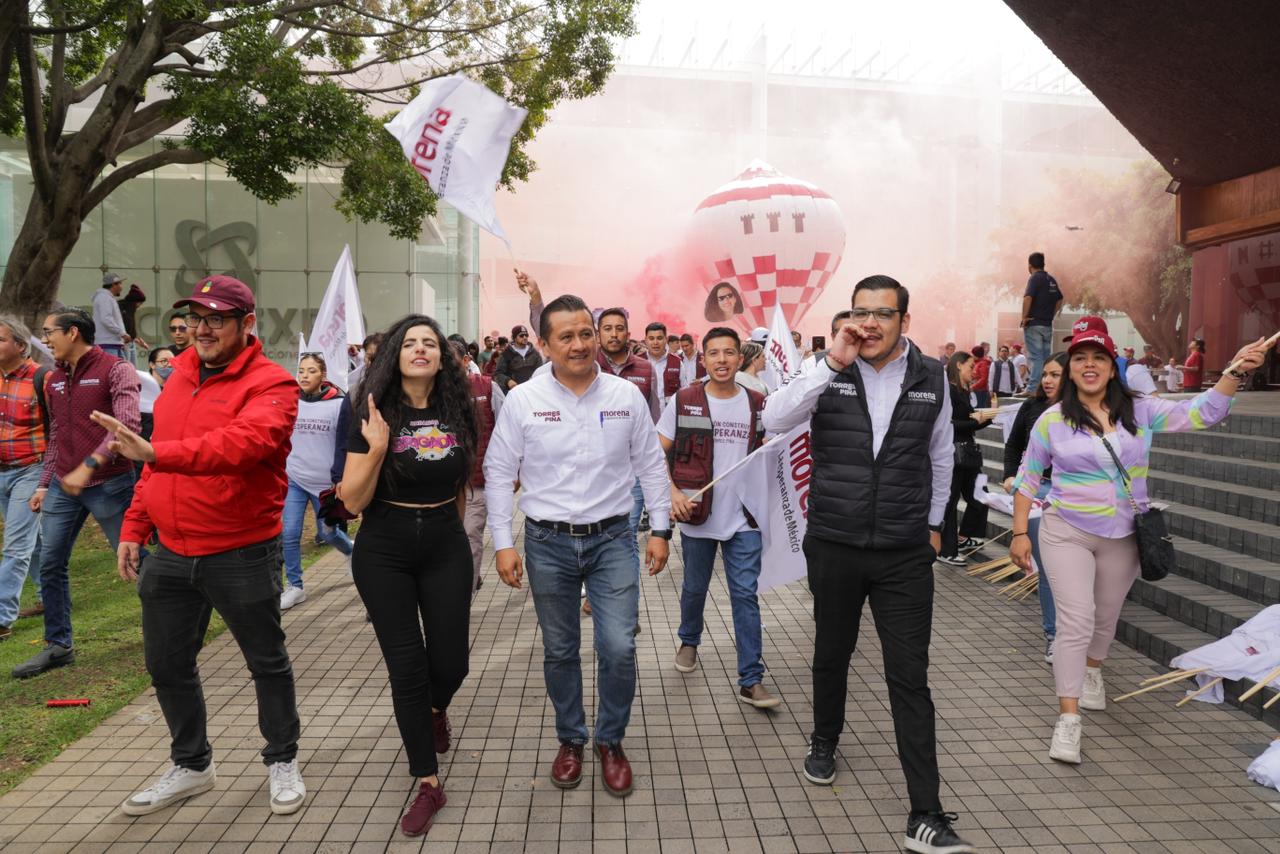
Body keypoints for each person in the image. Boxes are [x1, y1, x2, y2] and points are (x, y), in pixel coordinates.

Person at [762, 275, 974, 854]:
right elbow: (774, 420)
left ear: (905, 320)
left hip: (904, 553)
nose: (871, 323)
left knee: (910, 676)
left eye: (884, 313)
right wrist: (831, 362)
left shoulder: (932, 376)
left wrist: (932, 528)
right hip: (834, 541)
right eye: (862, 312)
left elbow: (938, 455)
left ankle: (926, 813)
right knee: (832, 652)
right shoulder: (826, 368)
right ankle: (825, 737)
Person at [1009, 321, 1268, 765]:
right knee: (1076, 620)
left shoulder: (1140, 410)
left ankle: (1093, 670)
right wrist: (1018, 533)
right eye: (1080, 359)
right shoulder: (1052, 421)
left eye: (1099, 358)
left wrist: (1235, 371)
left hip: (1124, 534)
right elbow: (1028, 479)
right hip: (1066, 529)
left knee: (1105, 616)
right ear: (1070, 369)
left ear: (1113, 368)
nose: (1089, 366)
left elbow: (1203, 412)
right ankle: (1068, 720)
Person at [100, 275, 306, 816]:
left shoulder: (273, 384)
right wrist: (133, 526)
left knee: (266, 662)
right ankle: (192, 764)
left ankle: (281, 759)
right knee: (167, 665)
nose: (202, 328)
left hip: (241, 551)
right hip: (170, 553)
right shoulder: (178, 376)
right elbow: (155, 463)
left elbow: (241, 446)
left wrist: (156, 456)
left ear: (246, 324)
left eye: (216, 318)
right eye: (196, 318)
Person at [485, 294, 672, 800]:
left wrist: (659, 529)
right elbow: (499, 473)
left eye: (586, 333)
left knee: (618, 646)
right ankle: (571, 739)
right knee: (561, 649)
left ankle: (609, 740)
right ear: (543, 343)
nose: (579, 344)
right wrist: (504, 543)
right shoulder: (525, 400)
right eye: (565, 336)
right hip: (547, 543)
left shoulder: (624, 396)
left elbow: (651, 466)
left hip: (613, 538)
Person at [335, 314, 477, 837]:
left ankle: (436, 707)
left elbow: (461, 484)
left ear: (442, 356)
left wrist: (458, 540)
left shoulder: (459, 410)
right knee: (406, 668)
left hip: (444, 542)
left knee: (453, 662)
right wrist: (375, 449)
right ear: (395, 354)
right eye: (410, 342)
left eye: (430, 343)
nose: (420, 349)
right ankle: (427, 781)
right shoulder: (371, 410)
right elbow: (350, 501)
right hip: (385, 547)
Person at [11, 308, 140, 679]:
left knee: (135, 560)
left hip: (110, 484)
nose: (45, 339)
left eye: (49, 332)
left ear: (72, 333)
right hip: (62, 491)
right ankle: (59, 646)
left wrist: (89, 465)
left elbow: (127, 426)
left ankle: (169, 635)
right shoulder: (53, 380)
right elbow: (55, 438)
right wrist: (43, 483)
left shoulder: (116, 369)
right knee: (50, 563)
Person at [660, 327, 780, 708]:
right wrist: (673, 493)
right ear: (704, 358)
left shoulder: (761, 404)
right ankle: (689, 640)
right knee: (694, 587)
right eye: (714, 353)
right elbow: (653, 452)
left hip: (744, 519)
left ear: (739, 358)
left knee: (745, 594)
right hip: (700, 517)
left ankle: (751, 678)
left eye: (729, 352)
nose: (722, 360)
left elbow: (776, 451)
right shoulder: (684, 400)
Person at [1001, 352, 1068, 663]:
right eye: (1046, 374)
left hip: (1076, 496)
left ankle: (1079, 635)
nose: (1048, 380)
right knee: (1051, 569)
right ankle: (1054, 636)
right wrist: (1010, 475)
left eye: (1056, 375)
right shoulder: (1032, 407)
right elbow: (1014, 444)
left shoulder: (1089, 411)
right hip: (1038, 491)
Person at [280, 353, 354, 609]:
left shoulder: (339, 403)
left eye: (311, 371)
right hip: (294, 478)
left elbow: (344, 442)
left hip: (325, 483)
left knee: (328, 532)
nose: (304, 375)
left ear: (323, 376)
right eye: (301, 370)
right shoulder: (290, 401)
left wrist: (341, 477)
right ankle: (295, 586)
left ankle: (351, 551)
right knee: (289, 533)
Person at [0, 315, 49, 640]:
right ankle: (51, 595)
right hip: (1, 472)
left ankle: (2, 617)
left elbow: (58, 427)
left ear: (20, 345)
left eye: (1, 340)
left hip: (31, 469)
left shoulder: (41, 378)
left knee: (16, 545)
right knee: (31, 544)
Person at [936, 352, 993, 568]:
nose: (975, 371)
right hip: (952, 455)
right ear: (959, 365)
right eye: (971, 366)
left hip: (970, 455)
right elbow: (948, 424)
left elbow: (970, 421)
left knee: (982, 493)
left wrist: (989, 418)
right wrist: (976, 420)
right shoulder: (947, 391)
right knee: (949, 502)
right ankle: (946, 550)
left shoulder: (964, 391)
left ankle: (967, 535)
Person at [456, 339, 503, 596]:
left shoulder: (487, 387)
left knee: (470, 537)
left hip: (477, 480)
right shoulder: (430, 393)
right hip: (443, 485)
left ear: (465, 361)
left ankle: (465, 594)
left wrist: (511, 468)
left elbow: (506, 427)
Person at [1021, 251, 1063, 392]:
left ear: (1030, 265)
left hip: (1034, 324)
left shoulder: (1034, 278)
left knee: (1035, 357)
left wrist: (1024, 317)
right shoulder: (1051, 279)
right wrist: (1051, 314)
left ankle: (1033, 388)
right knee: (1045, 358)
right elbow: (1059, 299)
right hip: (1047, 325)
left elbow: (1028, 297)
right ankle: (1044, 387)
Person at [134, 347, 172, 478]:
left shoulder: (176, 390)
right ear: (152, 365)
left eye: (172, 361)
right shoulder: (140, 388)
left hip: (164, 452)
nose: (169, 364)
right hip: (141, 452)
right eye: (163, 361)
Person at [92, 273, 132, 359]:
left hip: (111, 343)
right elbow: (106, 319)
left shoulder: (105, 297)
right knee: (113, 370)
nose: (122, 287)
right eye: (120, 283)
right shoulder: (105, 298)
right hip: (108, 343)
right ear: (114, 284)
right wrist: (122, 334)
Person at [493, 323, 542, 390]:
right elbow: (498, 374)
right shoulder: (507, 354)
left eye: (526, 335)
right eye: (521, 336)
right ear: (514, 338)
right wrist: (508, 381)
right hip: (515, 391)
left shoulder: (534, 352)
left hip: (532, 389)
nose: (525, 337)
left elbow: (541, 371)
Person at [119, 283, 148, 365]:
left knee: (132, 368)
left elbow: (129, 329)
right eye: (139, 303)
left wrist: (137, 340)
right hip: (124, 343)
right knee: (127, 367)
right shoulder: (123, 310)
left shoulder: (129, 311)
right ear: (135, 301)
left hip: (130, 343)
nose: (139, 306)